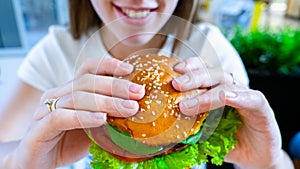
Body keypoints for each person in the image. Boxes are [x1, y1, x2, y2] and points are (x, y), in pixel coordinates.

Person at [0, 0, 295, 168]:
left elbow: (262, 158)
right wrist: (20, 162)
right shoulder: (55, 52)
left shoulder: (211, 53)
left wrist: (269, 164)